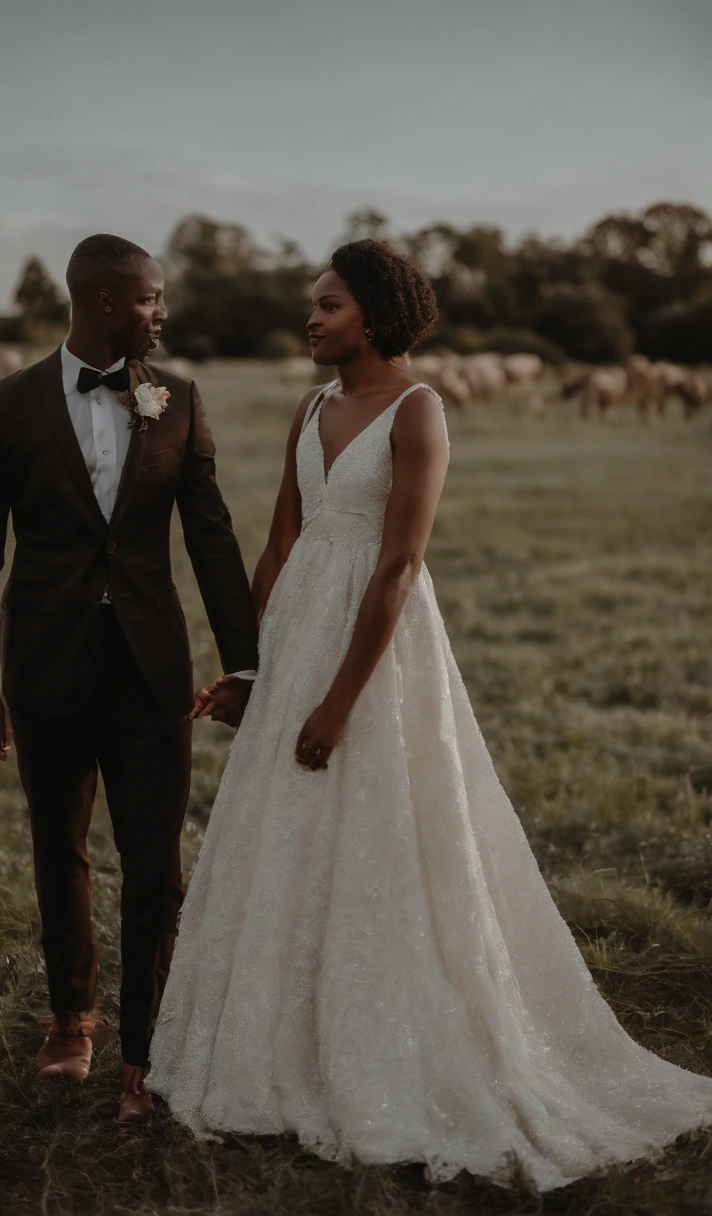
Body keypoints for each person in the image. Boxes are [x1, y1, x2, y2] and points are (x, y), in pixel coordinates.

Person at [147, 238, 712, 1189]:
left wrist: (334, 702)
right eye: (311, 304)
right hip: (296, 641)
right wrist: (253, 667)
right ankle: (276, 1044)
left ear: (374, 312)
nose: (312, 319)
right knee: (282, 832)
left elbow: (400, 566)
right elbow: (282, 537)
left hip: (378, 651)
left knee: (377, 832)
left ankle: (389, 1048)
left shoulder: (419, 411)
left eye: (327, 305)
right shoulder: (312, 404)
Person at [0, 234, 257, 1123]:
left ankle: (148, 1048)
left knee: (157, 865)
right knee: (60, 849)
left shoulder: (180, 399)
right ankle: (71, 1020)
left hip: (152, 670)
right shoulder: (4, 405)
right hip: (43, 669)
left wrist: (243, 661)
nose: (162, 313)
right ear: (105, 301)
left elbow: (210, 533)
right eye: (152, 299)